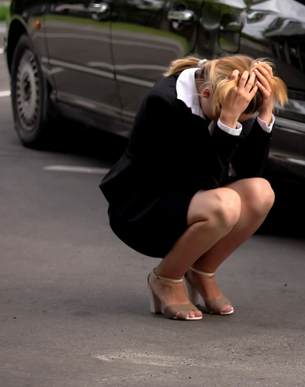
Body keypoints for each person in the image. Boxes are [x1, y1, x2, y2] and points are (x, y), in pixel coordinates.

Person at [100, 55, 287, 320]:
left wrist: (264, 113)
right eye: (230, 113)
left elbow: (248, 173)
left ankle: (202, 272)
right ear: (207, 93)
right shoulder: (164, 103)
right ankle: (166, 278)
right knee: (226, 204)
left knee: (261, 192)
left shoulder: (228, 93)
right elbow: (204, 181)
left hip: (190, 198)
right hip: (144, 207)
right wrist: (228, 120)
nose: (238, 122)